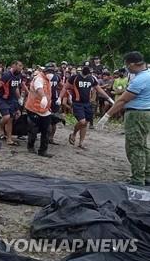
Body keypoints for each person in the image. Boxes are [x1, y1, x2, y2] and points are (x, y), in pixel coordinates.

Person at [97, 52, 150, 186]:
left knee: (134, 147)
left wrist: (107, 116)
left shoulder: (139, 80)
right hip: (145, 113)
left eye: (127, 65)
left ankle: (137, 179)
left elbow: (123, 100)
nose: (126, 68)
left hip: (137, 114)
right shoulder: (148, 75)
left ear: (132, 64)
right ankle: (147, 175)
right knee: (143, 145)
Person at [60, 65, 114, 149]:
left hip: (87, 103)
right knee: (82, 122)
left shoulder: (92, 79)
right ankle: (74, 134)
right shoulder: (74, 77)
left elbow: (99, 89)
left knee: (85, 124)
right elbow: (65, 87)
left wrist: (109, 98)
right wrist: (60, 98)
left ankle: (81, 143)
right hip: (77, 103)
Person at [0, 61, 26, 146]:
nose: (21, 68)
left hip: (12, 99)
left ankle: (9, 139)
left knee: (11, 119)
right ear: (14, 65)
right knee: (6, 117)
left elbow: (16, 87)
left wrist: (19, 98)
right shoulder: (6, 75)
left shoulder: (19, 75)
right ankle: (0, 127)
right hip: (2, 98)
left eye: (22, 66)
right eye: (20, 66)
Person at [25, 66, 53, 157]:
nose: (51, 73)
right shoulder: (39, 79)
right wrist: (43, 97)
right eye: (49, 71)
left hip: (45, 109)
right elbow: (39, 89)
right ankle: (30, 146)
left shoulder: (48, 80)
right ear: (44, 71)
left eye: (52, 71)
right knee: (34, 129)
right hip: (34, 108)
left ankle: (43, 150)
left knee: (47, 129)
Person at [45, 62, 62, 145]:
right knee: (50, 120)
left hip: (53, 99)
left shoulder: (56, 77)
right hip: (48, 99)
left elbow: (62, 86)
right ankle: (49, 137)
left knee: (52, 120)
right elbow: (62, 86)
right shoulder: (44, 77)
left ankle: (50, 138)